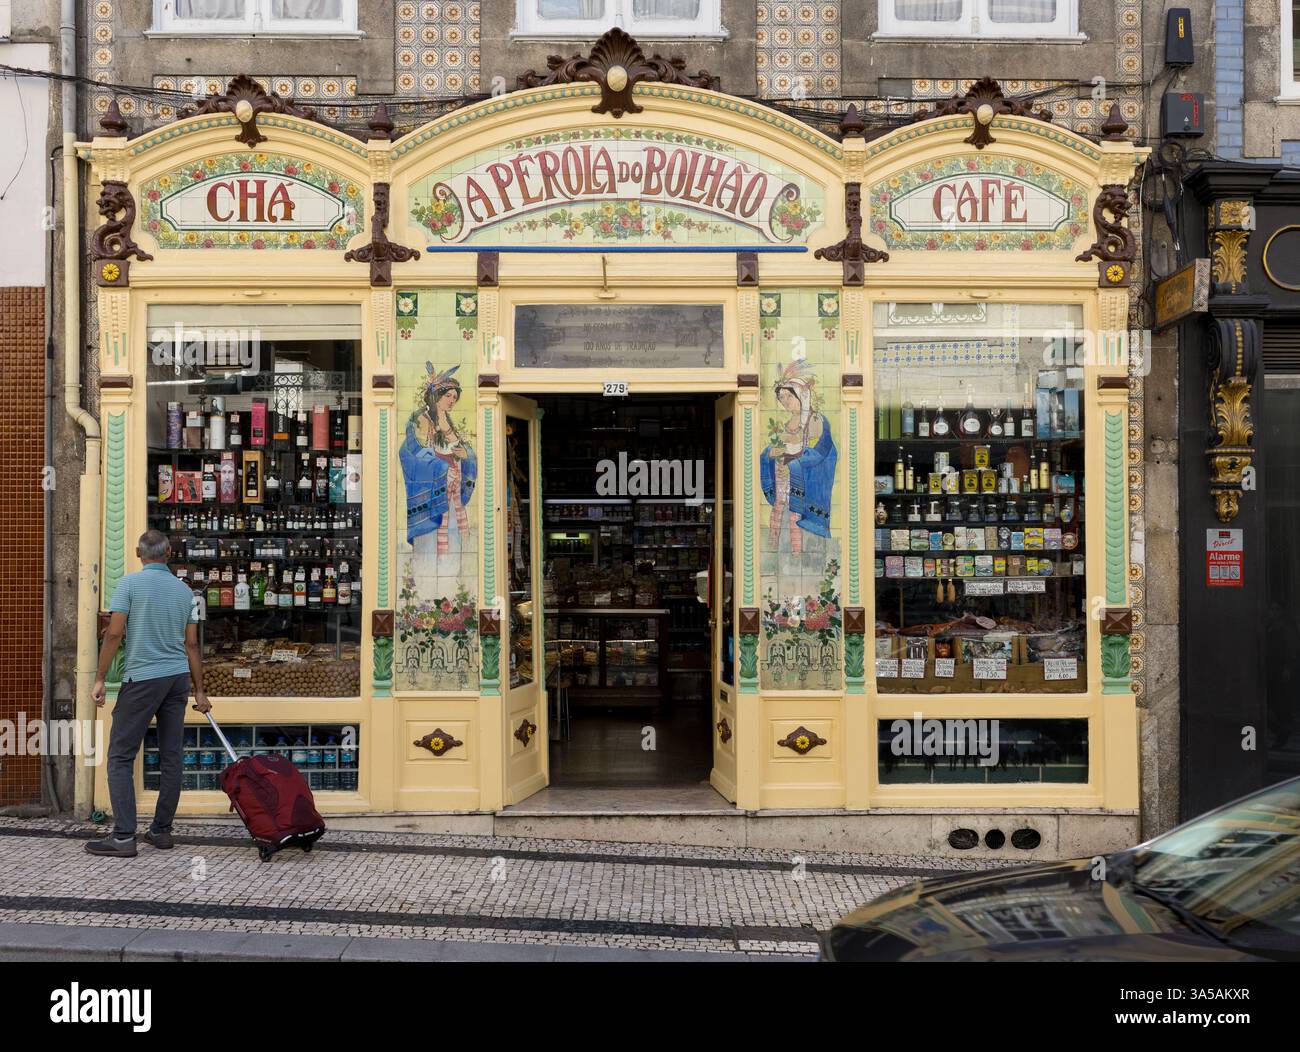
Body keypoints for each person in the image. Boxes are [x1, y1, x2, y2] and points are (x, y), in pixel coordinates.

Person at [87, 530, 210, 858]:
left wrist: (100, 678)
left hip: (142, 679)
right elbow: (192, 644)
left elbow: (113, 635)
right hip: (177, 680)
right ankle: (162, 830)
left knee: (120, 756)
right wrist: (199, 691)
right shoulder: (185, 592)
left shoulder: (129, 585)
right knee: (171, 756)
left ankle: (124, 836)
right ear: (169, 552)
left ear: (139, 553)